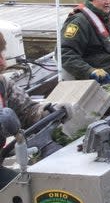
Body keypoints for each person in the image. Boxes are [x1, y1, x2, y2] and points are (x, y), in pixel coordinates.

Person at [0, 32, 74, 188]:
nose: (3, 63)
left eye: (1, 53)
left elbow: (27, 111)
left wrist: (49, 112)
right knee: (21, 192)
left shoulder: (3, 83)